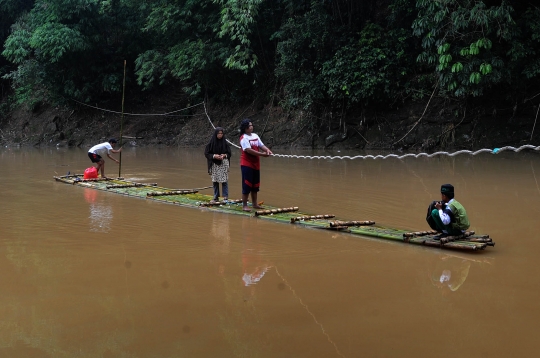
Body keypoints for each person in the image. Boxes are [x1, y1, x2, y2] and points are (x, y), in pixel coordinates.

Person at [239, 118, 272, 211]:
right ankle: (244, 205)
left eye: (252, 125)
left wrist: (267, 150)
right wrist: (262, 154)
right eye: (250, 125)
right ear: (246, 128)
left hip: (256, 164)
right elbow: (249, 150)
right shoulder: (243, 138)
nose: (252, 126)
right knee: (247, 185)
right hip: (246, 164)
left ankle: (254, 204)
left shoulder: (255, 135)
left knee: (255, 185)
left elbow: (261, 145)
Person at [204, 127, 232, 203]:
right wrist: (214, 156)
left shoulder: (225, 143)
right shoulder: (211, 143)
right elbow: (206, 153)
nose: (220, 135)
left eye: (221, 133)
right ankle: (216, 197)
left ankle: (225, 197)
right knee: (215, 181)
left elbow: (229, 153)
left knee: (224, 181)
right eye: (219, 133)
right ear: (216, 134)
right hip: (214, 164)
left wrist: (224, 156)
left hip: (223, 163)